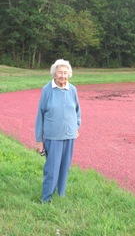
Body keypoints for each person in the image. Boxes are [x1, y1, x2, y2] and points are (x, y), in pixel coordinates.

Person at [35, 59, 81, 203]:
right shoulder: (47, 90)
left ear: (69, 74)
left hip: (69, 135)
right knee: (52, 169)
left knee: (64, 167)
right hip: (53, 136)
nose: (63, 75)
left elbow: (77, 111)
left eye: (65, 73)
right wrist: (39, 140)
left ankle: (61, 194)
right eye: (60, 72)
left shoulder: (72, 89)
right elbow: (40, 115)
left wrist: (76, 127)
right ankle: (46, 198)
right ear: (54, 74)